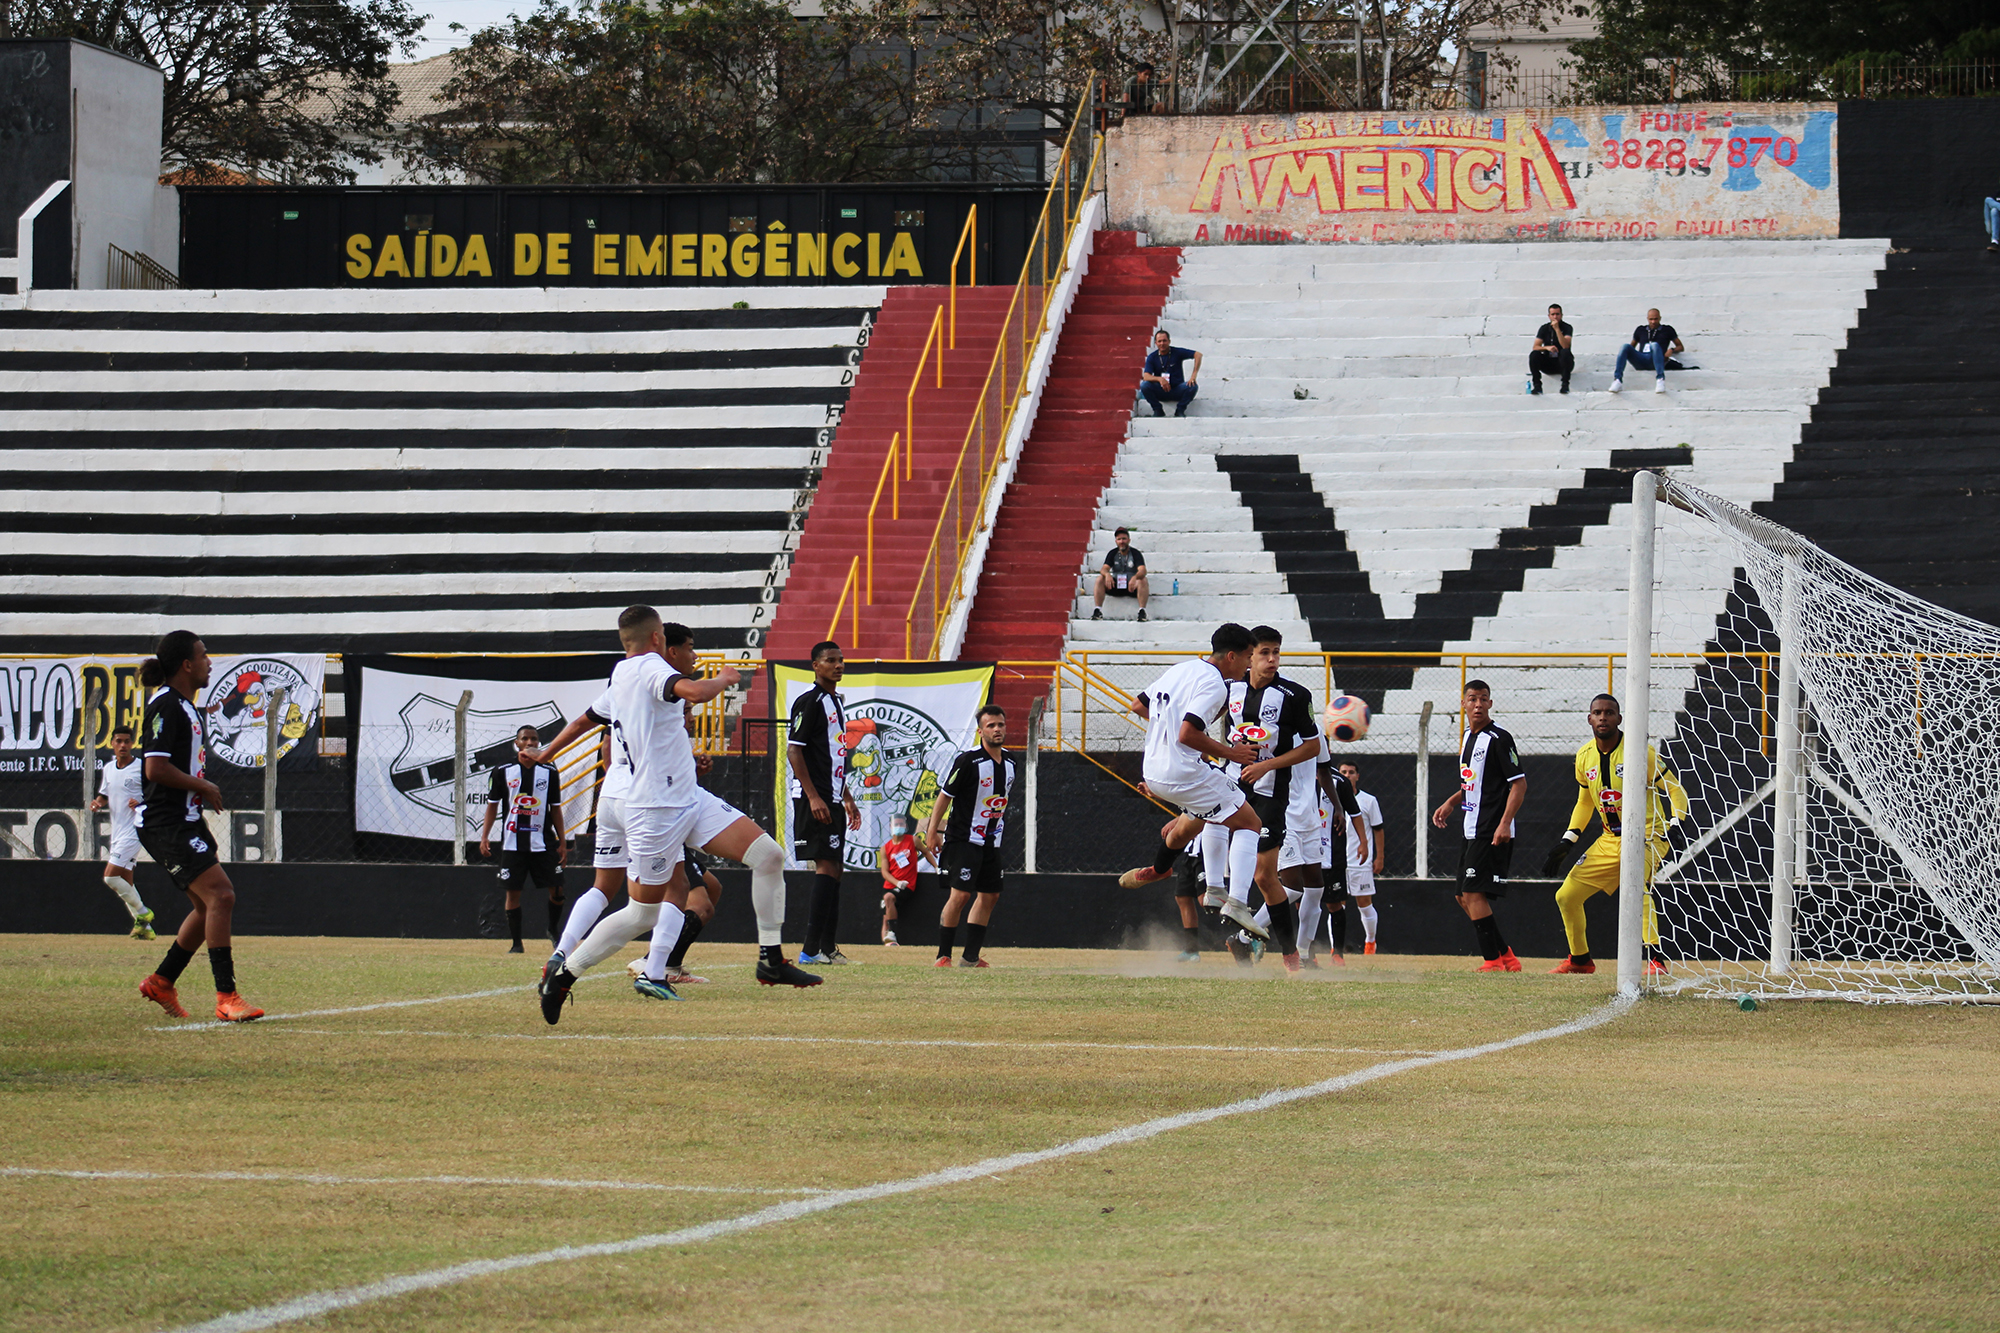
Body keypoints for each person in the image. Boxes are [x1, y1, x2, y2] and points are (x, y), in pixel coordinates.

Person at [540, 608, 811, 1022]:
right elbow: (696, 693)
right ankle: (565, 974)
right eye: (670, 638)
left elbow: (583, 720)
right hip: (656, 809)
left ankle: (770, 959)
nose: (685, 649)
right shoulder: (650, 668)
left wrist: (545, 752)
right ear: (655, 639)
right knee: (643, 912)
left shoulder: (621, 675)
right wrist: (724, 679)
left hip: (687, 797)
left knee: (769, 856)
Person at [1117, 623, 1305, 972]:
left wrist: (1170, 733)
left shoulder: (1182, 669)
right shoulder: (1216, 684)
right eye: (1249, 657)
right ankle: (1234, 901)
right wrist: (1229, 753)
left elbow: (1139, 705)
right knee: (1249, 821)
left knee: (1199, 823)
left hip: (1153, 771)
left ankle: (1175, 875)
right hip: (1181, 771)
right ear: (1232, 656)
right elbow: (1188, 733)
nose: (1249, 665)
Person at [134, 631, 262, 1022]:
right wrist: (203, 785)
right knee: (221, 896)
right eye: (204, 656)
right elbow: (154, 769)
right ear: (186, 665)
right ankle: (227, 996)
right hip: (165, 823)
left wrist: (197, 804)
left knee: (207, 905)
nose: (210, 662)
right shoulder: (166, 706)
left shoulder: (186, 707)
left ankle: (162, 981)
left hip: (184, 820)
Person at [1541, 694, 1690, 976]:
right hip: (1610, 839)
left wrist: (1676, 823)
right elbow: (1585, 802)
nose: (1603, 717)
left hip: (1648, 835)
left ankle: (1656, 961)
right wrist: (1568, 840)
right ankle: (1580, 960)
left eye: (1609, 712)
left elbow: (1675, 789)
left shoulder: (1639, 752)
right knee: (1566, 896)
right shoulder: (1584, 757)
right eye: (1597, 712)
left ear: (1620, 719)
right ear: (1589, 718)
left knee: (1637, 887)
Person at [1216, 627, 1325, 966]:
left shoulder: (1294, 695)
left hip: (1271, 795)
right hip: (1229, 786)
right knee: (1191, 827)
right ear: (1250, 656)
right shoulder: (1227, 688)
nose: (1272, 659)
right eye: (1265, 652)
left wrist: (1268, 766)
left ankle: (1290, 957)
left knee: (1265, 876)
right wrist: (1226, 755)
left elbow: (1313, 746)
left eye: (1277, 652)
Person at [1430, 679, 1525, 972]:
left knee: (1473, 894)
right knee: (1462, 896)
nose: (1478, 704)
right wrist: (1451, 801)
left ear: (1491, 704)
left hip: (1490, 829)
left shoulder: (1499, 738)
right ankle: (1506, 956)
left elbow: (1518, 785)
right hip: (1471, 828)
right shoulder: (1467, 738)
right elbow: (1475, 783)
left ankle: (1492, 961)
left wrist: (1504, 823)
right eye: (1472, 699)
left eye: (1484, 699)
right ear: (1463, 704)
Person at [922, 704, 1015, 968]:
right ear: (980, 731)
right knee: (960, 895)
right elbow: (944, 797)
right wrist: (932, 832)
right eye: (991, 726)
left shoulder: (1011, 762)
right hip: (963, 840)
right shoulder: (967, 761)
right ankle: (943, 955)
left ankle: (970, 957)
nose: (997, 729)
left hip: (991, 842)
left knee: (990, 896)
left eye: (1000, 724)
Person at [788, 640, 862, 964]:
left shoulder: (836, 702)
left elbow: (834, 756)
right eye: (831, 660)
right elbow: (795, 749)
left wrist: (846, 796)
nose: (838, 665)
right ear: (815, 666)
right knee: (827, 865)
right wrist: (814, 796)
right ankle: (809, 951)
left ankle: (828, 948)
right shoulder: (810, 701)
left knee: (836, 869)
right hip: (814, 798)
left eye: (841, 660)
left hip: (832, 797)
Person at [480, 724, 567, 954]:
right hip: (512, 842)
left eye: (534, 739)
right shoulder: (502, 770)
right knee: (513, 892)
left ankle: (552, 929)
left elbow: (555, 809)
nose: (530, 743)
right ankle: (516, 943)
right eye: (525, 739)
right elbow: (492, 806)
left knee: (557, 890)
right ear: (517, 743)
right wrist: (485, 836)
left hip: (543, 841)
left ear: (539, 744)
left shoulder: (549, 771)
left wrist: (563, 842)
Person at [90, 724, 156, 940]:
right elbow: (105, 794)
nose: (123, 745)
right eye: (119, 741)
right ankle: (145, 931)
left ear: (132, 743)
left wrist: (142, 801)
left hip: (135, 829)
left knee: (110, 878)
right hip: (118, 830)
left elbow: (156, 793)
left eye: (127, 741)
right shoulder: (109, 769)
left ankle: (145, 914)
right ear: (112, 744)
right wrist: (98, 803)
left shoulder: (141, 767)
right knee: (125, 881)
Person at [1298, 754, 1362, 964]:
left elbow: (1355, 812)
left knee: (1334, 905)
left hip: (1331, 855)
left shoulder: (1338, 782)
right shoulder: (1294, 774)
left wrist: (1364, 842)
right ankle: (1308, 953)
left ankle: (1338, 953)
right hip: (1302, 853)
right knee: (1302, 905)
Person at [1339, 761, 1386, 955]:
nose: (1348, 775)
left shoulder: (1368, 801)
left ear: (1357, 776)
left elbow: (1378, 829)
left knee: (1364, 903)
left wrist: (1379, 857)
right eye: (1344, 772)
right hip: (1337, 861)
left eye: (1351, 772)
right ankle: (1336, 947)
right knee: (1336, 905)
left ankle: (1370, 943)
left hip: (1360, 861)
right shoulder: (1330, 799)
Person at [1609, 308, 1683, 395]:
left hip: (1656, 360)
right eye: (1651, 319)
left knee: (1654, 345)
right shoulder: (1641, 330)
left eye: (1655, 319)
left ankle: (1660, 379)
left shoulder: (1667, 329)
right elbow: (1632, 347)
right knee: (1625, 346)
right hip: (1642, 359)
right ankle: (1617, 380)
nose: (1653, 322)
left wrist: (1671, 350)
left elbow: (1680, 346)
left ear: (1660, 318)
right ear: (1647, 318)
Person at [1091, 526, 1149, 623]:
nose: (1121, 541)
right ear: (1116, 541)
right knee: (1100, 579)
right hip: (1116, 585)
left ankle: (1142, 611)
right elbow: (1104, 569)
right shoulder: (1112, 553)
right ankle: (1098, 610)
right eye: (1119, 539)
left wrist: (1135, 577)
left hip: (1132, 586)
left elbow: (1142, 570)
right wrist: (1107, 575)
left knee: (1143, 580)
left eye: (1124, 539)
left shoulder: (1135, 553)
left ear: (1129, 540)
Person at [878, 814, 921, 946]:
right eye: (896, 824)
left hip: (907, 885)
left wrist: (937, 867)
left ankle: (892, 932)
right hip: (891, 884)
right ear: (890, 827)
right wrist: (896, 882)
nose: (899, 827)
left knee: (889, 898)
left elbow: (926, 853)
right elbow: (885, 871)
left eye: (901, 824)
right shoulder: (885, 848)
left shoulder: (913, 840)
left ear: (906, 826)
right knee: (886, 913)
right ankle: (888, 942)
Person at [1140, 329, 1201, 418]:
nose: (1162, 343)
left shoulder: (1177, 352)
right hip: (1160, 390)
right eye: (1159, 341)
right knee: (1144, 385)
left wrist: (1193, 375)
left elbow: (1198, 355)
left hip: (1177, 389)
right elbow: (1146, 376)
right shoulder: (1152, 357)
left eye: (1164, 340)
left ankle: (1180, 410)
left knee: (1193, 386)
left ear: (1169, 341)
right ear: (1156, 343)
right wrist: (1160, 379)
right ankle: (1158, 410)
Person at [1528, 303, 1574, 395]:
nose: (1555, 317)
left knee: (1565, 352)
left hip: (1563, 363)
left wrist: (1557, 330)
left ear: (1561, 315)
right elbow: (1535, 347)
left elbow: (1566, 346)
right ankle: (1537, 386)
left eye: (1557, 314)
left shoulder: (1567, 327)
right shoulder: (1544, 328)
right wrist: (1546, 348)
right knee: (1534, 355)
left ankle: (1565, 385)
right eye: (1553, 314)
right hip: (1548, 363)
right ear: (1549, 316)